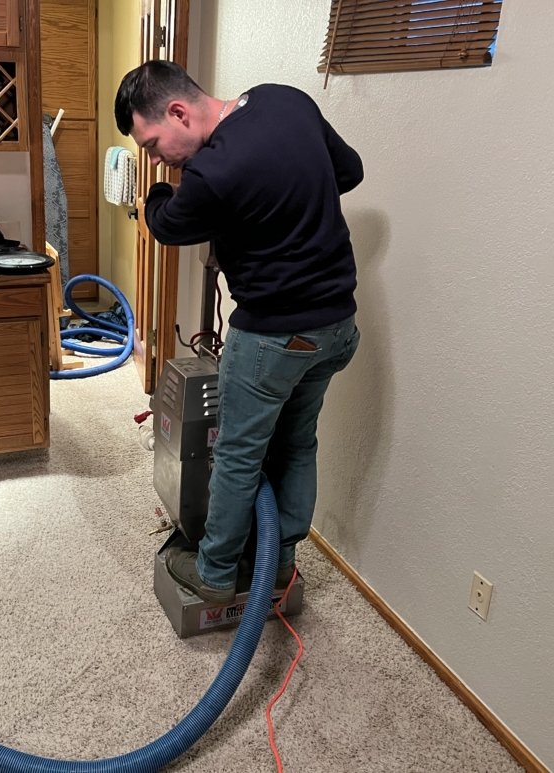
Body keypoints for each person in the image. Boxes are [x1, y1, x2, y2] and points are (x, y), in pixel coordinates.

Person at [115, 61, 363, 604]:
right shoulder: (284, 99)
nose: (155, 158)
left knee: (237, 454)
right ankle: (280, 563)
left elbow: (166, 224)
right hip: (337, 328)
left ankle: (215, 571)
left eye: (152, 144)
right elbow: (349, 171)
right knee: (297, 442)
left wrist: (153, 194)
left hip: (273, 338)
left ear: (178, 112)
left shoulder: (212, 173)